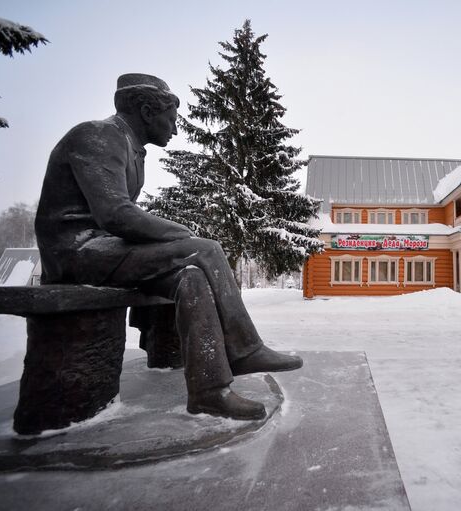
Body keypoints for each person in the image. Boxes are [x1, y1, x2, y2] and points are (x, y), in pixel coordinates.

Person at [34, 73, 302, 421]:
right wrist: (182, 232)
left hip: (104, 249)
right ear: (147, 110)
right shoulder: (98, 135)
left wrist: (176, 238)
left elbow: (120, 219)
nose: (175, 129)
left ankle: (209, 391)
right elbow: (116, 214)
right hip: (76, 251)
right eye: (172, 119)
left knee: (190, 275)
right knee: (204, 250)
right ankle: (245, 349)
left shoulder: (133, 151)